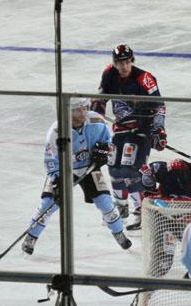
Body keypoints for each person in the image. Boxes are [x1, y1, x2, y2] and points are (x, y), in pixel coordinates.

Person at [22, 98, 131, 255]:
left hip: (89, 168)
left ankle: (119, 232)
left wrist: (104, 152)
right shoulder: (57, 132)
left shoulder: (96, 121)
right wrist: (57, 181)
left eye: (85, 108)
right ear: (69, 112)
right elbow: (50, 160)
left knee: (105, 202)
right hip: (64, 171)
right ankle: (31, 237)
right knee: (48, 203)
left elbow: (110, 142)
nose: (83, 112)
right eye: (79, 110)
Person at [91, 44, 167, 228]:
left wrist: (158, 129)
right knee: (114, 168)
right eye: (120, 62)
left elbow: (159, 106)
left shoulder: (144, 78)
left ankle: (142, 211)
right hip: (121, 128)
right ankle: (121, 207)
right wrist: (96, 126)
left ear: (132, 60)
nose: (124, 66)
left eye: (127, 62)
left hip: (141, 130)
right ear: (114, 63)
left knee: (131, 169)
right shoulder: (109, 74)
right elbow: (100, 101)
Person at [139, 145, 191, 276]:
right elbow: (145, 170)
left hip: (189, 225)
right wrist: (149, 188)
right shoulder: (177, 169)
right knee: (162, 264)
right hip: (163, 219)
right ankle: (149, 285)